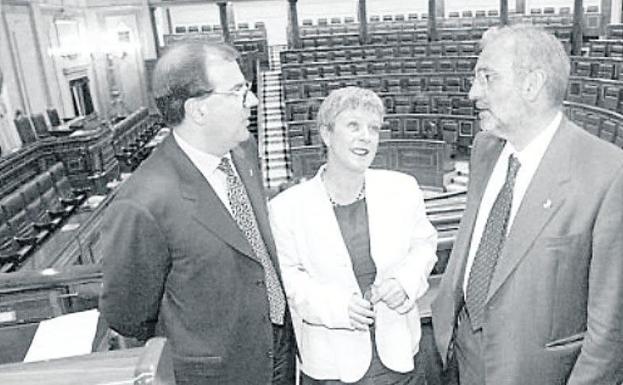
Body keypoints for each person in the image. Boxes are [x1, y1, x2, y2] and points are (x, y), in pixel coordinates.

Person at [432, 24, 623, 385]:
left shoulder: (608, 174)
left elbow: (610, 331)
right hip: (462, 358)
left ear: (532, 85)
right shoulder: (485, 149)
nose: (473, 92)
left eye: (487, 78)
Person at [99, 41, 295, 385]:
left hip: (278, 348)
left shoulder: (243, 151)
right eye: (238, 91)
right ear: (198, 109)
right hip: (217, 373)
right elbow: (127, 315)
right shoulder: (141, 204)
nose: (253, 101)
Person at [270, 86, 438, 384]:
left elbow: (423, 247)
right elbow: (290, 279)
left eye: (373, 128)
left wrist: (405, 283)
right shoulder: (286, 208)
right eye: (353, 126)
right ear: (326, 134)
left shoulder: (403, 188)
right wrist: (337, 307)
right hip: (331, 367)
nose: (366, 137)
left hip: (401, 358)